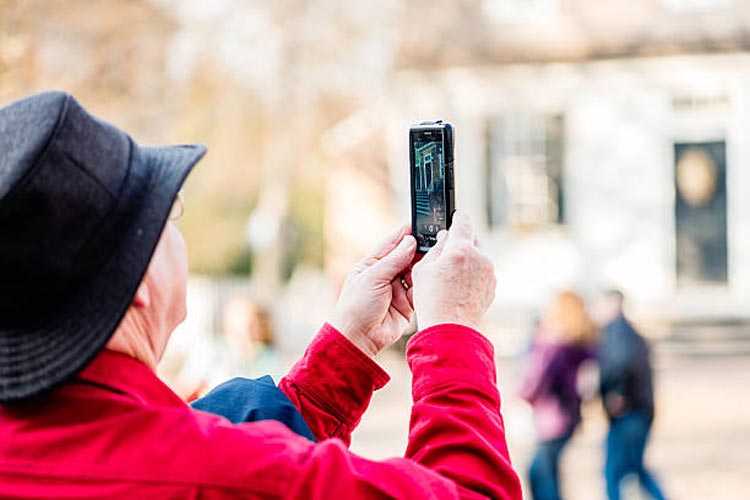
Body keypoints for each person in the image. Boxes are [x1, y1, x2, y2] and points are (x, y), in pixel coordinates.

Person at [0, 91, 522, 498]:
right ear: (138, 286)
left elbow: (209, 427)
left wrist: (348, 345)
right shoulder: (229, 477)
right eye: (169, 214)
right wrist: (453, 328)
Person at [518, 291, 597, 500]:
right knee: (548, 473)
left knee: (540, 475)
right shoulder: (581, 342)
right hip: (568, 415)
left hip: (552, 417)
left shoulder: (552, 345)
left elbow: (535, 381)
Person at [593, 290, 666, 500]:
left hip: (629, 412)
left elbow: (621, 363)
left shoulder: (618, 332)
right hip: (639, 410)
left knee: (613, 472)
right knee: (635, 467)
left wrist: (618, 392)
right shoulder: (628, 333)